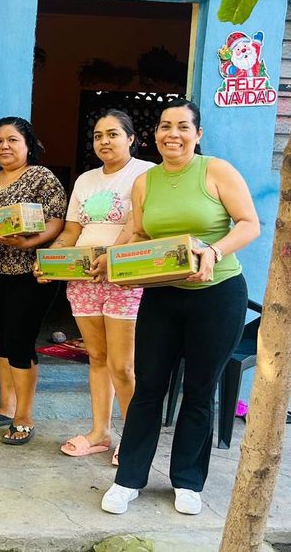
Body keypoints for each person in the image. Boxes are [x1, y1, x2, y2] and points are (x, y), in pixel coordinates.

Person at [101, 99, 260, 516]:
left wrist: (213, 249)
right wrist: (110, 259)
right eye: (165, 126)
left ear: (198, 134)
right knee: (148, 388)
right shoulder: (145, 181)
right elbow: (136, 232)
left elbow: (249, 223)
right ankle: (128, 479)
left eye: (183, 126)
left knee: (200, 390)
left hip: (218, 293)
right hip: (161, 295)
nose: (173, 133)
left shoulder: (216, 171)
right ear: (155, 135)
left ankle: (188, 481)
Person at [36, 110, 154, 464]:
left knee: (123, 365)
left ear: (131, 139)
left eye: (113, 134)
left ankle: (132, 438)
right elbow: (72, 232)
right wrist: (50, 261)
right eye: (99, 135)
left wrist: (110, 258)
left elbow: (136, 227)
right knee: (97, 359)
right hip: (84, 278)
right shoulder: (86, 180)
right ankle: (100, 432)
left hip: (123, 277)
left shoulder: (145, 173)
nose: (104, 141)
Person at [0, 117, 67, 444]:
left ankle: (24, 415)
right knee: (2, 339)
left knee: (20, 342)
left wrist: (27, 242)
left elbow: (57, 222)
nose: (5, 147)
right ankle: (6, 404)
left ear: (28, 145)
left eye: (12, 140)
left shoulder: (42, 178)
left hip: (28, 274)